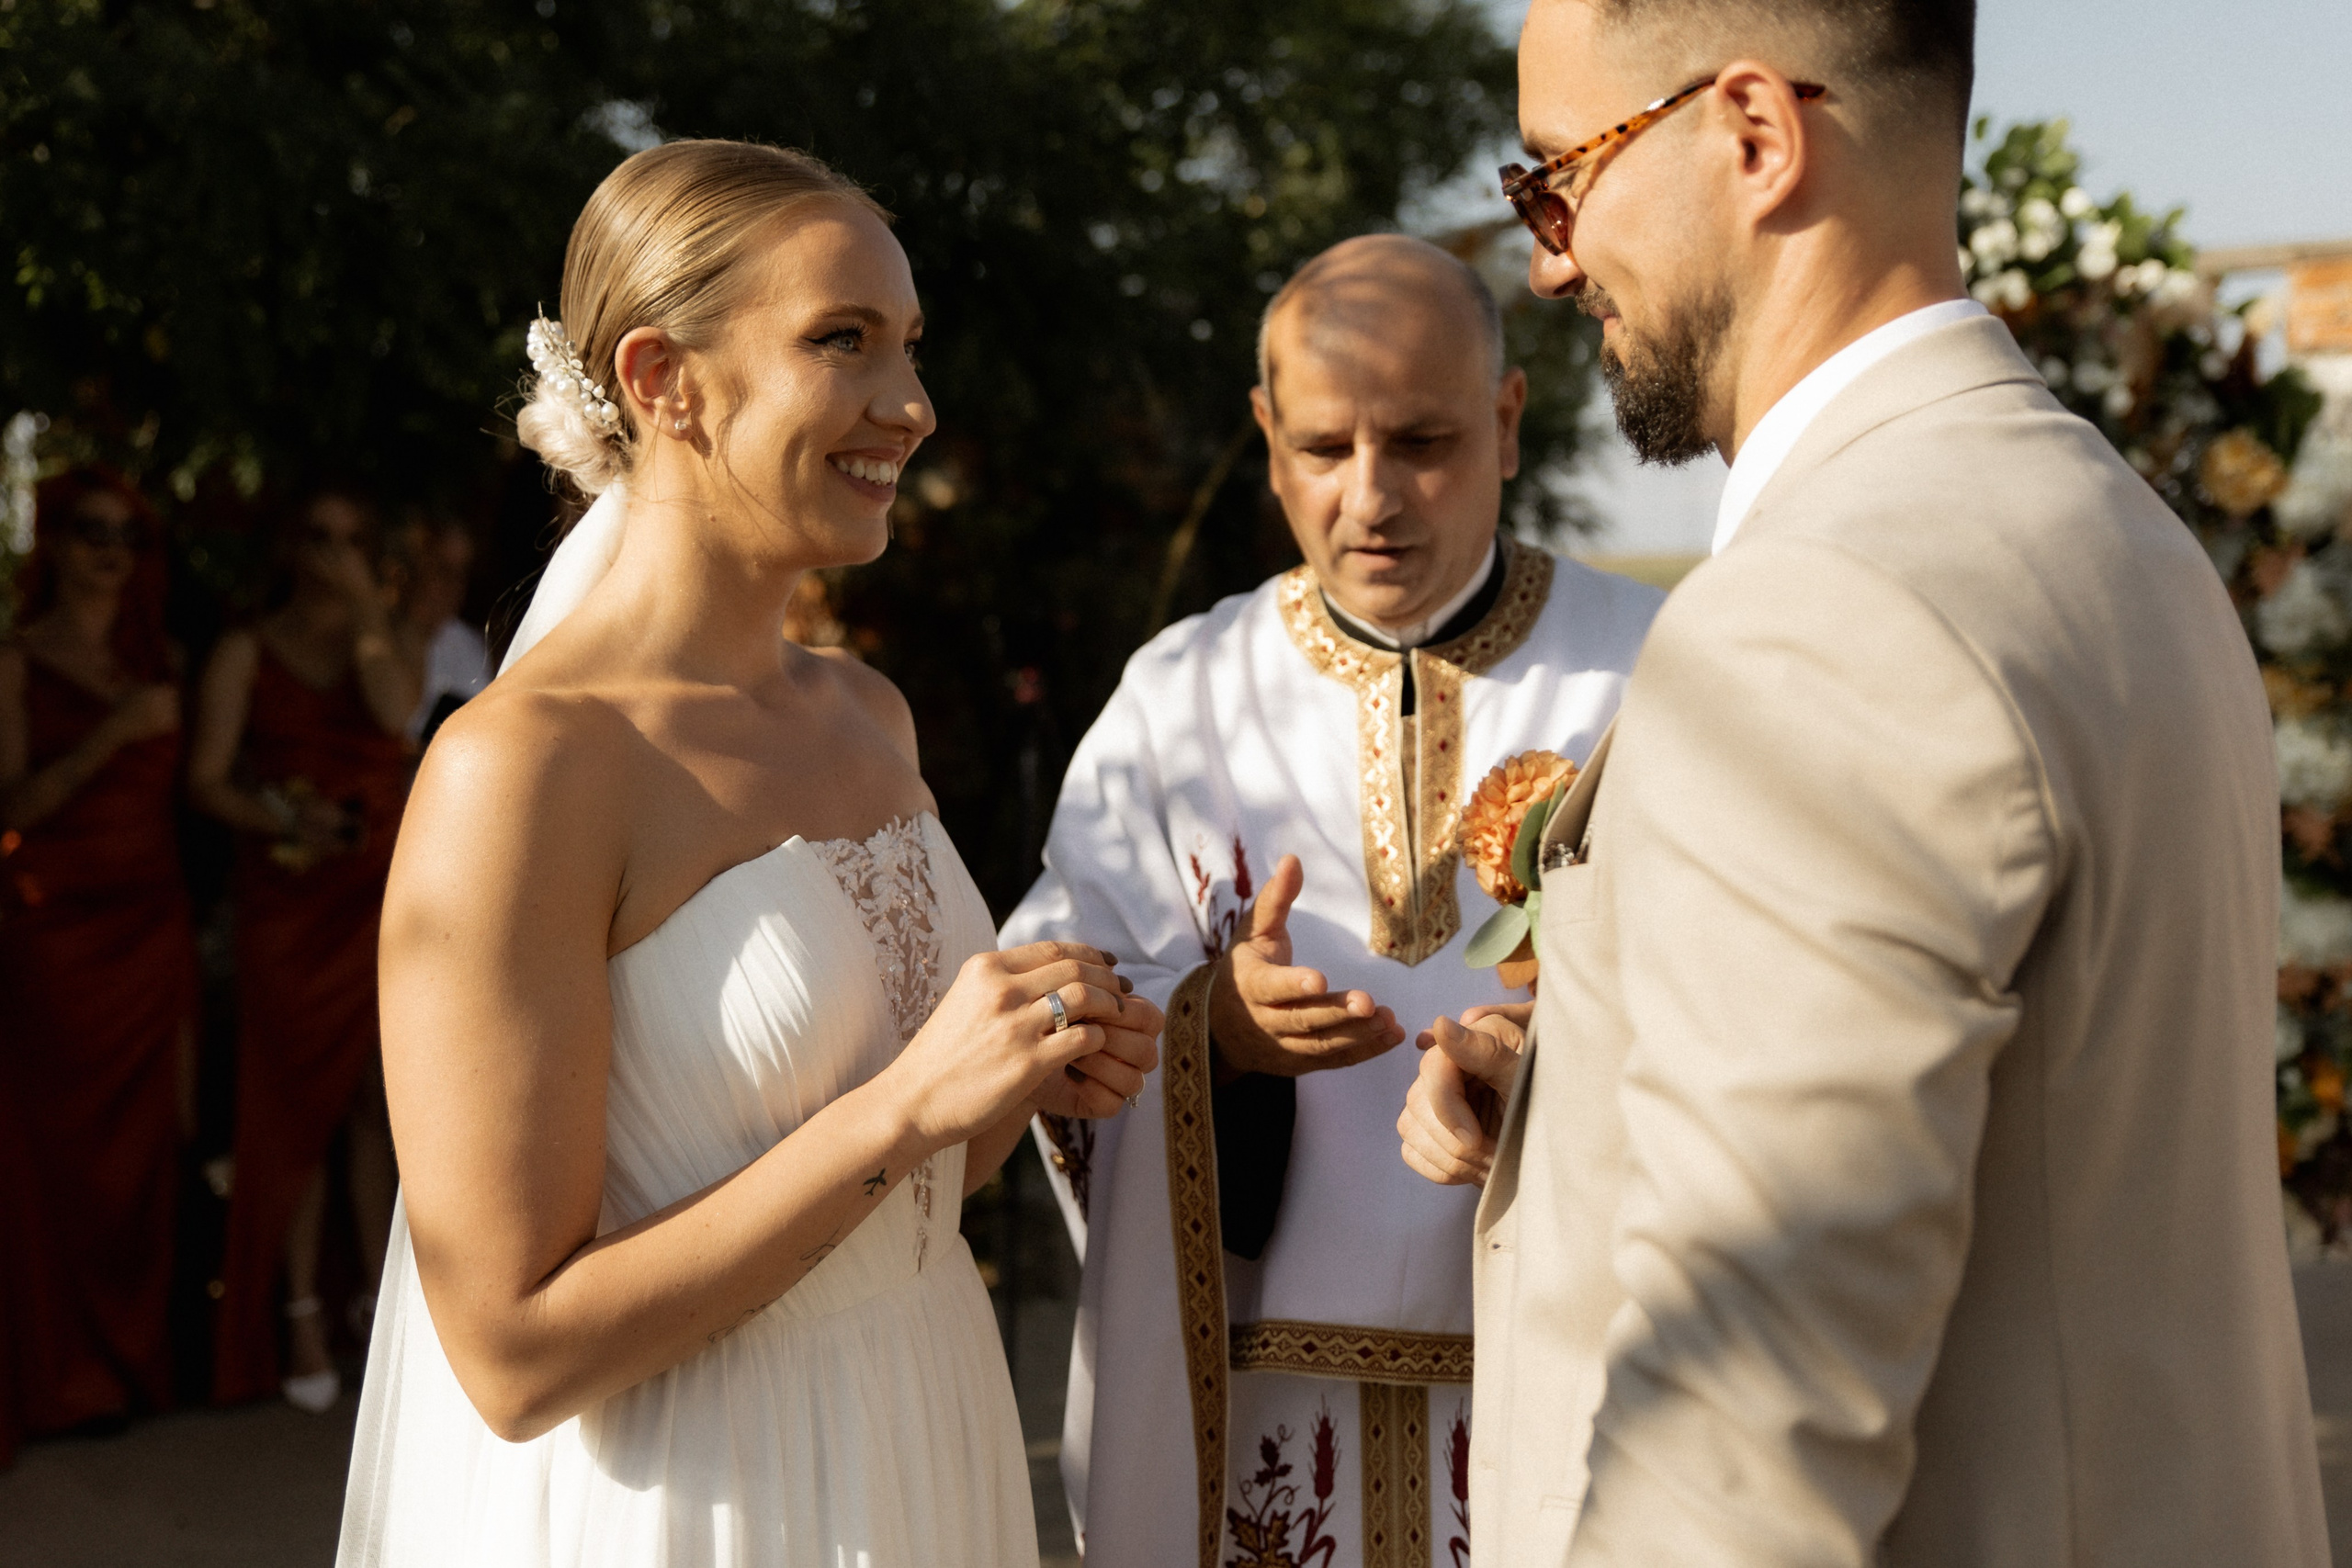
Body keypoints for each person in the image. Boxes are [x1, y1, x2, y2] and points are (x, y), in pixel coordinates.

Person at [1398, 2, 2331, 1563]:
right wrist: (1578, 1112)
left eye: (1560, 179)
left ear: (1755, 135)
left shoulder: (1823, 612)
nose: (1552, 259)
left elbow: (1742, 1436)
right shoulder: (2121, 535)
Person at [336, 139, 1159, 1568]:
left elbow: (919, 1187)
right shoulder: (523, 770)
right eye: (843, 340)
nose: (911, 403)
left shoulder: (865, 714)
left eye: (907, 345)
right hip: (703, 1488)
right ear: (666, 381)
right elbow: (513, 1351)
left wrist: (1013, 1073)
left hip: (920, 1420)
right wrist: (906, 1107)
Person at [1003, 234, 1661, 1566]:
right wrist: (1211, 1038)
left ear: (1508, 418)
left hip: (1571, 1387)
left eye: (1423, 439)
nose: (1373, 498)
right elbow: (1053, 1031)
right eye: (1322, 446)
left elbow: (1769, 1016)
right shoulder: (1175, 702)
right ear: (1264, 433)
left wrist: (1557, 1072)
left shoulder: (1653, 674)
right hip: (1256, 1408)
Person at [191, 490, 419, 1413]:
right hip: (288, 903)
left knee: (375, 1101)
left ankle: (378, 1306)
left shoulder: (385, 637)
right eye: (319, 537)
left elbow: (395, 714)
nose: (334, 554)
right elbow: (205, 783)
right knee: (292, 1110)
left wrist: (370, 612)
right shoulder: (248, 649)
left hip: (381, 899)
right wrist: (285, 819)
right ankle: (299, 1313)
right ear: (292, 547)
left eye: (354, 538)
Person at [0, 468, 198, 1432]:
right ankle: (59, 1375)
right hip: (55, 935)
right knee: (57, 1159)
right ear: (56, 541)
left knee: (140, 1154)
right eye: (89, 529)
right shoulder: (15, 660)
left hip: (149, 931)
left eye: (127, 533)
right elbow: (13, 810)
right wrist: (114, 734)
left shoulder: (162, 656)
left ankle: (128, 1370)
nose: (109, 549)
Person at [389, 514, 490, 745]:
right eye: (441, 569)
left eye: (462, 573)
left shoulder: (470, 649)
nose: (454, 585)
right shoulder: (374, 631)